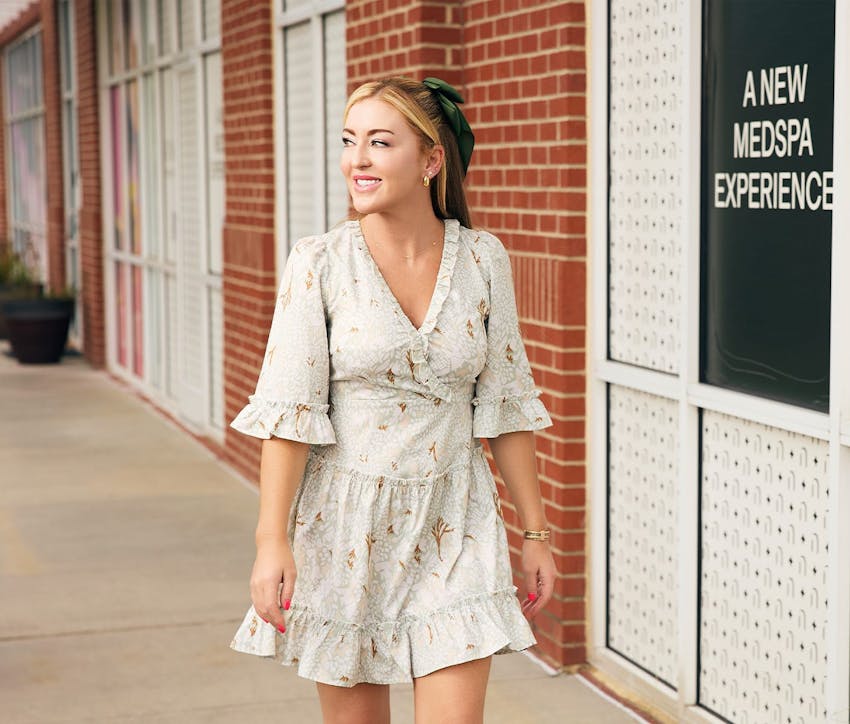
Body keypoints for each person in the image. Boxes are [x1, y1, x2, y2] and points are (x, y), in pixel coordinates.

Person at [229, 76, 557, 724]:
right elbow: (291, 419)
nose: (358, 159)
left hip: (455, 518)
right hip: (346, 527)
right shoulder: (318, 263)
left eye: (380, 142)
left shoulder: (483, 259)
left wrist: (535, 531)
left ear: (431, 160)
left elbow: (507, 405)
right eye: (350, 142)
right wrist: (273, 542)